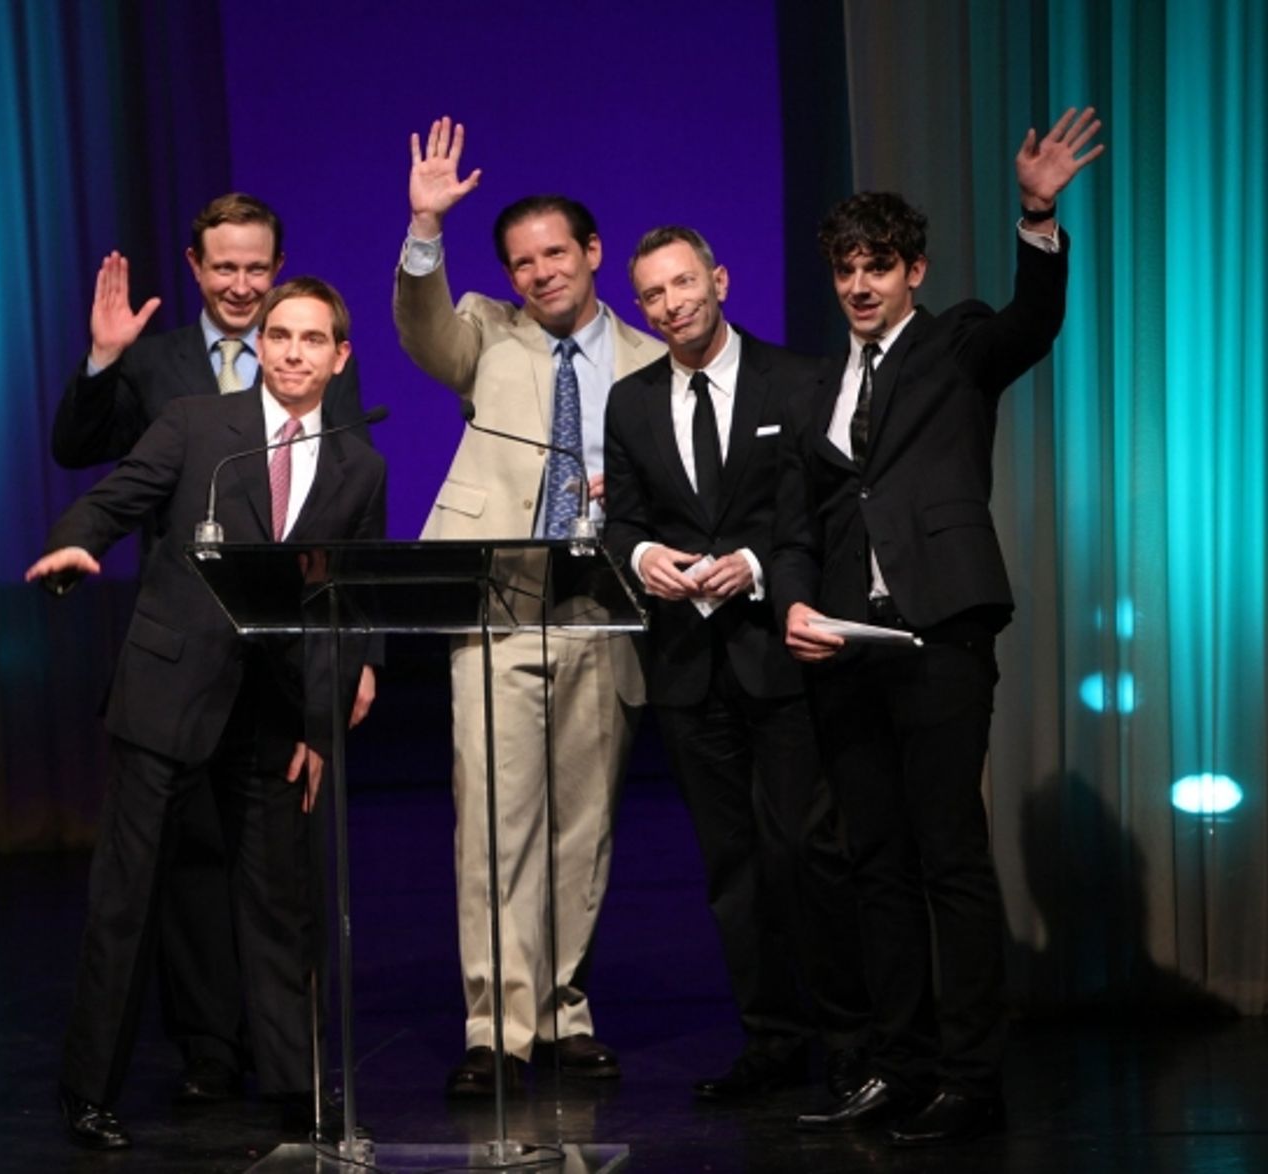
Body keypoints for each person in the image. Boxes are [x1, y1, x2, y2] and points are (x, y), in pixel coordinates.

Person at [776, 108, 1104, 1146]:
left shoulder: (958, 342)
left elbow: (1033, 321)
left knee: (946, 857)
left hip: (938, 633)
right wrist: (791, 600)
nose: (859, 285)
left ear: (912, 269)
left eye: (877, 266)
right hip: (842, 645)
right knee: (870, 861)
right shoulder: (819, 384)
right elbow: (800, 519)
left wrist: (1036, 214)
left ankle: (969, 1076)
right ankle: (895, 1062)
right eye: (844, 270)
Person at [30, 278, 386, 1149]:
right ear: (259, 346)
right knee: (128, 896)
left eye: (313, 339)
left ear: (341, 358)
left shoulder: (358, 463)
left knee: (278, 904)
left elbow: (351, 600)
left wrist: (321, 717)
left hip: (270, 710)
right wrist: (76, 540)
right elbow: (118, 498)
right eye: (280, 335)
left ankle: (298, 1092)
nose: (294, 352)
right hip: (166, 692)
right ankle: (87, 1091)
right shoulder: (199, 423)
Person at [393, 117, 665, 1096]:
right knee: (495, 821)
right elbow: (421, 330)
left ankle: (561, 1011)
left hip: (602, 606)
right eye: (522, 261)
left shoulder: (646, 355)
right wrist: (426, 227)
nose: (541, 272)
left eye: (557, 253)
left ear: (592, 254)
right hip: (499, 596)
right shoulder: (485, 333)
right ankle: (494, 1026)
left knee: (580, 823)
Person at [603, 226, 868, 1102]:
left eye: (684, 284)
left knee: (807, 851)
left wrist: (753, 564)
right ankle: (771, 1041)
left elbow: (821, 515)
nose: (673, 304)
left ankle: (851, 1039)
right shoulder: (631, 400)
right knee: (732, 865)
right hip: (686, 665)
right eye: (653, 295)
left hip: (779, 655)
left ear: (719, 278)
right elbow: (622, 521)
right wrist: (647, 561)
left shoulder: (796, 380)